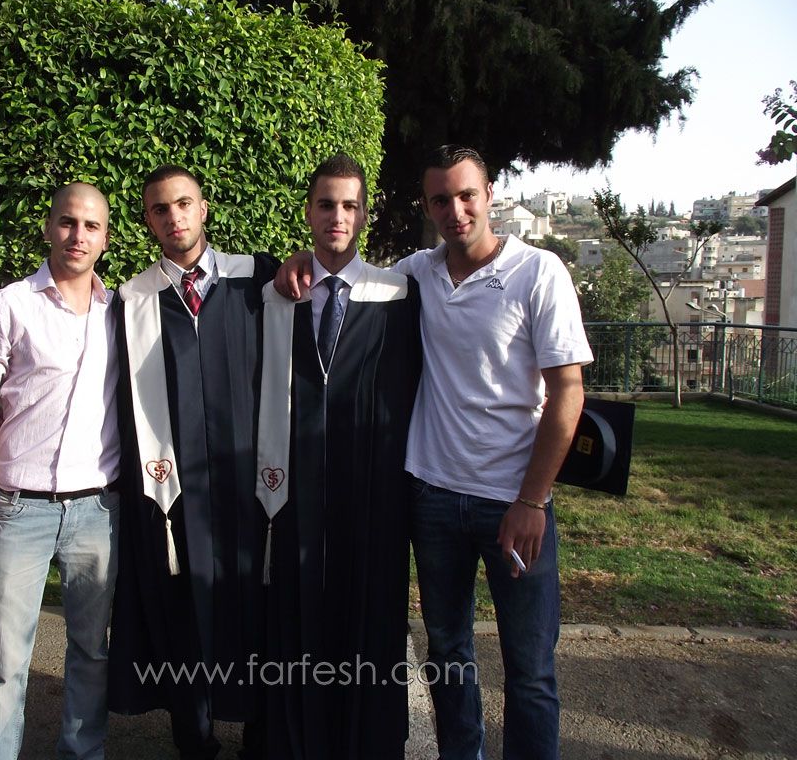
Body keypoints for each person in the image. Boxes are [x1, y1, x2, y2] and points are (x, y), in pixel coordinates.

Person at [277, 145, 592, 759]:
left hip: (513, 503)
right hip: (434, 498)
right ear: (427, 206)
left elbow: (568, 393)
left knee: (529, 666)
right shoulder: (416, 275)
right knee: (448, 654)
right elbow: (345, 268)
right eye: (441, 200)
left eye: (467, 195)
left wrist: (533, 500)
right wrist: (300, 261)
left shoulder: (539, 272)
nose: (456, 210)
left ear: (490, 194)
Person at [0, 182, 121, 759]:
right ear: (47, 228)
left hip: (98, 510)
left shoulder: (122, 311)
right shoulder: (7, 306)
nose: (78, 236)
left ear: (106, 239)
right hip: (22, 509)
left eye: (91, 226)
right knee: (5, 661)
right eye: (67, 222)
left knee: (92, 652)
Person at [108, 165, 279, 760]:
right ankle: (194, 737)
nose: (174, 217)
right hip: (175, 490)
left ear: (203, 208)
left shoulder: (258, 278)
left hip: (250, 486)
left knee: (255, 605)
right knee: (184, 609)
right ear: (148, 220)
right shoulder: (132, 301)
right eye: (160, 209)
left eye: (184, 203)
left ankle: (261, 734)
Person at [256, 154, 421, 759]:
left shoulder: (398, 293)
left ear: (365, 215)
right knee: (294, 611)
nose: (337, 216)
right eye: (326, 204)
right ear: (308, 211)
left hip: (371, 489)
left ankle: (364, 741)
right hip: (294, 487)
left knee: (368, 615)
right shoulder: (277, 297)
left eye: (350, 205)